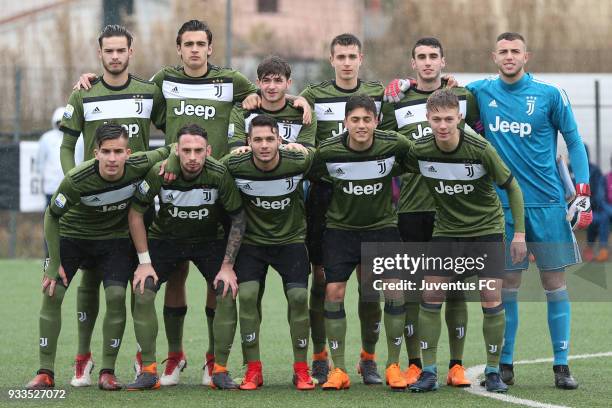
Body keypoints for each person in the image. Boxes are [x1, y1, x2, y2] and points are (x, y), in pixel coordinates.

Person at [465, 32, 591, 389]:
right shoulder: (481, 91)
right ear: (494, 56)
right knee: (509, 284)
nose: (509, 56)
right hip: (502, 207)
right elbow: (442, 91)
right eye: (503, 51)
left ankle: (562, 365)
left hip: (549, 205)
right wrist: (406, 84)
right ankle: (505, 363)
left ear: (526, 56)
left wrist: (582, 191)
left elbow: (575, 141)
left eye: (515, 51)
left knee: (555, 282)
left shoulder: (550, 95)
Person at [25, 123, 173, 390]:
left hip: (113, 240)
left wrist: (171, 163)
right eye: (106, 151)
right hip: (72, 236)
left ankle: (107, 371)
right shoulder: (76, 179)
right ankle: (45, 372)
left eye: (118, 151)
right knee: (52, 292)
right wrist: (53, 263)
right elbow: (51, 216)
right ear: (96, 153)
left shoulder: (140, 163)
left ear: (129, 152)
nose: (113, 158)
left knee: (116, 297)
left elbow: (173, 149)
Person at [58, 24, 166, 388]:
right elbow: (66, 144)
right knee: (90, 277)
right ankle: (84, 357)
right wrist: (76, 183)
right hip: (93, 202)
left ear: (130, 52)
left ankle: (141, 357)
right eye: (109, 51)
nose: (115, 56)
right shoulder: (84, 93)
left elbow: (176, 128)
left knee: (134, 283)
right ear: (100, 52)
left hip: (136, 202)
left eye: (121, 50)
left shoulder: (149, 91)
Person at [398, 89, 526, 393]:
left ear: (460, 118)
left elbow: (513, 187)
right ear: (428, 119)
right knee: (431, 294)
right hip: (447, 230)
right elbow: (391, 160)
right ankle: (428, 371)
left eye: (449, 119)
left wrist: (518, 234)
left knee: (490, 297)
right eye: (437, 119)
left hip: (486, 229)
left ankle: (493, 372)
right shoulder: (420, 150)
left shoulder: (480, 149)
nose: (443, 125)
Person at [378, 37, 483, 387]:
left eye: (433, 56)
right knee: (411, 290)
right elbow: (385, 149)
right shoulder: (396, 99)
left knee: (453, 290)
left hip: (452, 213)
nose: (427, 62)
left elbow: (481, 144)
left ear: (443, 60)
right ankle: (413, 363)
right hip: (410, 210)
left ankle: (455, 365)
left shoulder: (464, 98)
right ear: (412, 64)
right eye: (421, 57)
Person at [126, 123, 245, 389]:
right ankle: (150, 368)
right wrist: (144, 263)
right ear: (176, 151)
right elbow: (135, 213)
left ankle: (217, 367)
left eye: (198, 151)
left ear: (208, 151)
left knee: (225, 288)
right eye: (186, 150)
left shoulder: (219, 173)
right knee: (142, 289)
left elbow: (238, 217)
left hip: (208, 241)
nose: (192, 157)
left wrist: (227, 265)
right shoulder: (160, 172)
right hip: (166, 239)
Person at [308, 94, 413, 391]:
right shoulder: (326, 152)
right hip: (340, 231)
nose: (361, 125)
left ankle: (383, 362)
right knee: (333, 292)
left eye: (367, 119)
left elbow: (415, 161)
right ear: (345, 122)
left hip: (382, 228)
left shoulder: (394, 144)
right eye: (355, 119)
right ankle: (338, 370)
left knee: (389, 290)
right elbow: (312, 177)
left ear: (376, 121)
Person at [300, 33, 386, 385]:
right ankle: (321, 356)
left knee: (371, 285)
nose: (347, 62)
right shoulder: (312, 96)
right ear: (331, 59)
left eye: (353, 56)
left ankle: (369, 359)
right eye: (341, 56)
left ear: (361, 58)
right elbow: (281, 102)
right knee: (321, 281)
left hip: (370, 197)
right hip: (325, 197)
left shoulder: (380, 95)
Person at [214, 115, 315, 390]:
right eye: (257, 140)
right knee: (246, 296)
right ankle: (253, 370)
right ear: (247, 142)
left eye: (270, 139)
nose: (264, 145)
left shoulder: (298, 161)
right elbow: (208, 168)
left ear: (280, 141)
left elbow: (322, 158)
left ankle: (302, 369)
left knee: (298, 296)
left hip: (291, 240)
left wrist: (306, 148)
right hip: (252, 243)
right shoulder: (234, 164)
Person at [228, 55, 316, 152]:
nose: (272, 86)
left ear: (288, 83)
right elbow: (236, 154)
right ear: (258, 83)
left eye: (278, 81)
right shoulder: (241, 110)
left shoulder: (304, 114)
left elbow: (305, 158)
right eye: (266, 80)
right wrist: (286, 149)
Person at [583, 146, 611, 262]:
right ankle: (596, 249)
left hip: (605, 210)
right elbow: (600, 198)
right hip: (607, 210)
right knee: (597, 217)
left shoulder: (594, 170)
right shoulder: (606, 178)